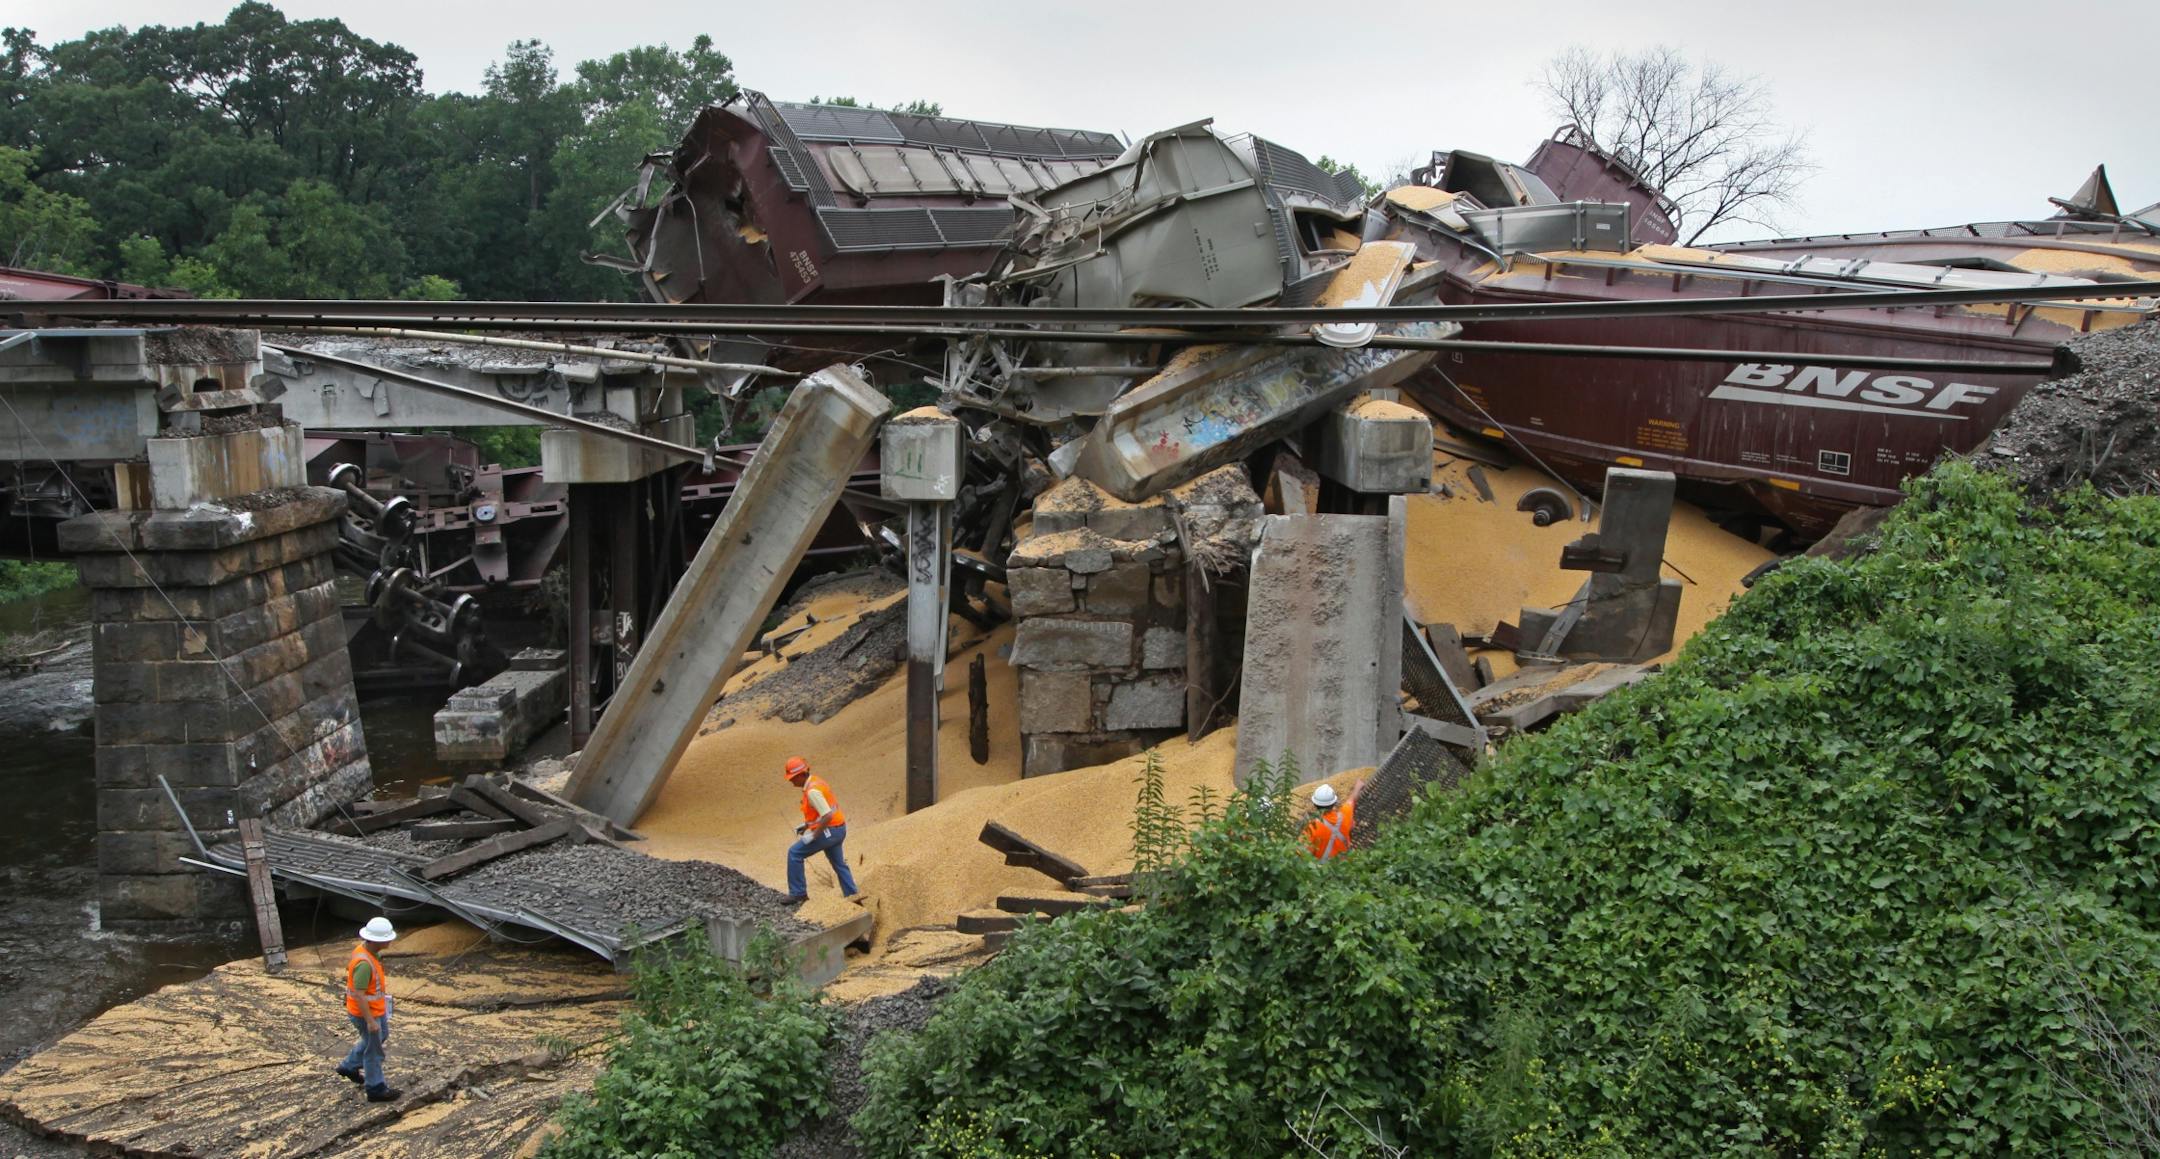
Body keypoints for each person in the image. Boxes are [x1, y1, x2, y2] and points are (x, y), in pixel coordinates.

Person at [336, 916, 400, 1102]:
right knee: (374, 1050)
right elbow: (359, 994)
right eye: (388, 938)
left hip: (375, 1009)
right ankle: (375, 1088)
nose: (390, 941)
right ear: (378, 940)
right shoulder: (364, 964)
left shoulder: (367, 952)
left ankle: (349, 1065)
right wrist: (371, 1021)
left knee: (380, 1037)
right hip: (366, 1013)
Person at [783, 756, 859, 904]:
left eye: (792, 778)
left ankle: (798, 893)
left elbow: (827, 815)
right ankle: (853, 897)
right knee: (839, 864)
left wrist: (814, 835)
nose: (791, 781)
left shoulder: (812, 791)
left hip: (830, 830)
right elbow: (822, 812)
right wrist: (806, 825)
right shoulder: (816, 782)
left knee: (794, 853)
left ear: (801, 775)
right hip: (838, 828)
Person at [1305, 779, 1367, 861]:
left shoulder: (1312, 827)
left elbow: (1302, 854)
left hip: (1322, 871)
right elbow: (1351, 800)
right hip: (1344, 866)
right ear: (1334, 803)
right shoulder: (1344, 814)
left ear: (1315, 804)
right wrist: (1358, 786)